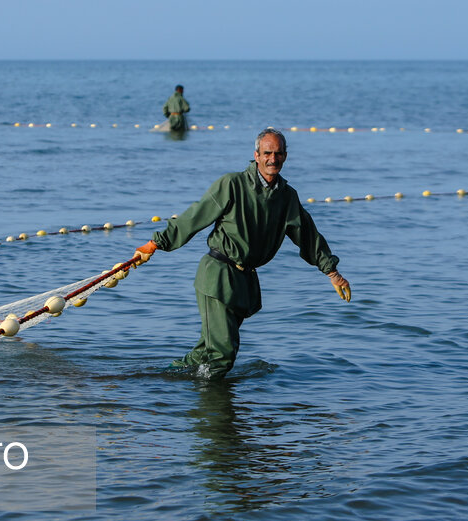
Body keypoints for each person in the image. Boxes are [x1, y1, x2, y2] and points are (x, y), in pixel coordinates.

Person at [133, 128, 352, 378]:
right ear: (256, 155)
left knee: (206, 351)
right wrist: (156, 243)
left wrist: (332, 273)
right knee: (222, 354)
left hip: (244, 281)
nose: (273, 159)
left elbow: (308, 236)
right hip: (217, 276)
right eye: (267, 153)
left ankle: (157, 382)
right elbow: (195, 217)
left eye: (278, 153)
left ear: (286, 156)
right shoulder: (232, 184)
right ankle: (214, 414)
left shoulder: (287, 196)